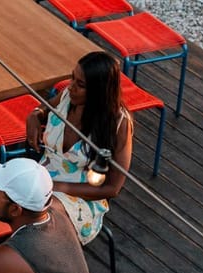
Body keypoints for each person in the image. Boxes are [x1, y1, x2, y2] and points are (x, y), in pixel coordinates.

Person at [26, 51, 133, 245]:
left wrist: (58, 187)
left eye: (81, 85)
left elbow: (112, 188)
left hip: (80, 197)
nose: (72, 87)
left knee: (36, 218)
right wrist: (35, 115)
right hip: (42, 179)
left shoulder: (119, 124)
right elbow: (45, 108)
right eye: (72, 77)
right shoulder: (68, 96)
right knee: (5, 202)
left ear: (100, 91)